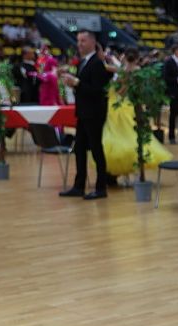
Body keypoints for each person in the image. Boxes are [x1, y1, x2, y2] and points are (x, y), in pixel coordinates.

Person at [103, 48, 172, 180]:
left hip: (122, 104)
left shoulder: (128, 70)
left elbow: (123, 89)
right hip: (124, 104)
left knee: (122, 131)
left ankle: (124, 160)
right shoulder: (131, 70)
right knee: (125, 132)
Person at [59, 31, 112, 200]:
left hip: (94, 113)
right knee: (79, 148)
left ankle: (101, 188)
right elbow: (85, 88)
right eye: (78, 41)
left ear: (92, 42)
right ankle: (78, 186)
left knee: (96, 149)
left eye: (83, 40)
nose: (79, 44)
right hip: (83, 112)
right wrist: (73, 83)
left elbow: (97, 91)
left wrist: (77, 83)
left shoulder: (97, 63)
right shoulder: (83, 62)